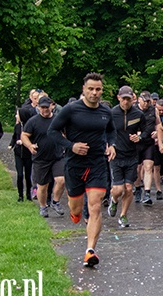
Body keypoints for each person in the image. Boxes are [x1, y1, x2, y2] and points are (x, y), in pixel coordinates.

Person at [48, 72, 116, 267]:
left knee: (95, 205)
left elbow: (112, 131)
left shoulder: (105, 112)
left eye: (98, 89)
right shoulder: (70, 110)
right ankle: (75, 213)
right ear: (84, 90)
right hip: (74, 164)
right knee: (76, 208)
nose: (95, 93)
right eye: (91, 89)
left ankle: (90, 251)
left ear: (102, 91)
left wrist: (112, 145)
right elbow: (52, 131)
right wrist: (71, 146)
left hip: (97, 163)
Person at [107, 86, 145, 228]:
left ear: (132, 99)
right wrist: (109, 145)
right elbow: (105, 132)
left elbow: (147, 129)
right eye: (123, 99)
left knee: (129, 188)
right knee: (118, 189)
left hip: (131, 155)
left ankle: (123, 215)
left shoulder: (138, 114)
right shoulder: (111, 114)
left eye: (128, 99)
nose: (126, 102)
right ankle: (114, 200)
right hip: (116, 154)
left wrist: (140, 136)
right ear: (118, 98)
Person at [22, 96, 66, 216]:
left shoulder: (58, 120)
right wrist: (30, 146)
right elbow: (24, 135)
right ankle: (43, 206)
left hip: (57, 156)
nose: (45, 110)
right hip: (40, 158)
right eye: (42, 107)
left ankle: (55, 201)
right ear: (38, 107)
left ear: (52, 106)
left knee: (61, 180)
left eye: (47, 107)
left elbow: (66, 134)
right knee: (42, 185)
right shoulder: (33, 121)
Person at [9, 110, 32, 202]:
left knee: (28, 175)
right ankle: (20, 195)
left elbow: (32, 138)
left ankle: (28, 194)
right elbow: (14, 136)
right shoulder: (17, 126)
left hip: (28, 153)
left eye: (17, 115)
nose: (16, 116)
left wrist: (24, 142)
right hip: (18, 153)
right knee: (19, 174)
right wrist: (11, 144)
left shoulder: (30, 126)